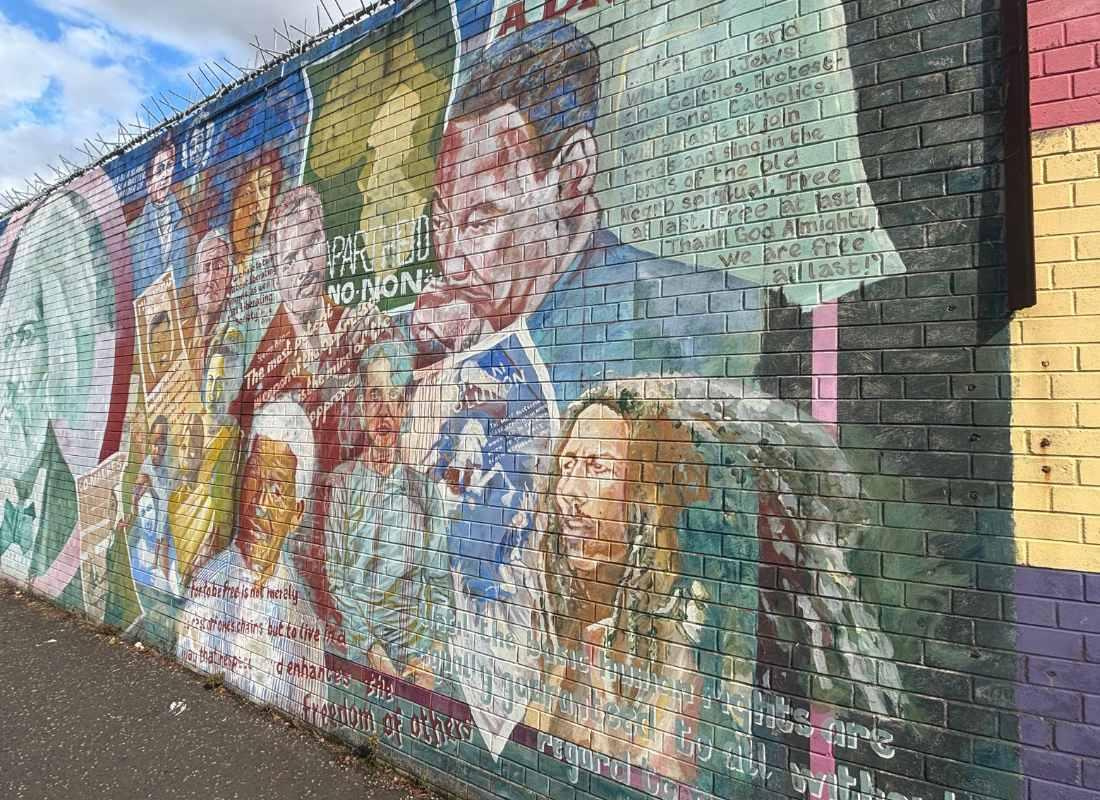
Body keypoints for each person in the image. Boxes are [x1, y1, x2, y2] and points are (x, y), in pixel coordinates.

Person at [413, 17, 761, 402]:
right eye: (441, 221)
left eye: (481, 222)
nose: (452, 266)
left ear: (571, 176)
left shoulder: (703, 320)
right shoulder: (462, 328)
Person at [541, 390, 714, 784]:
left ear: (642, 493)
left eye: (597, 466)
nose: (570, 492)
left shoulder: (676, 641)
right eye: (567, 465)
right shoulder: (559, 619)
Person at [0, 191, 114, 606]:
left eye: (26, 336)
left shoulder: (74, 495)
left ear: (60, 348)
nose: (9, 375)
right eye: (5, 340)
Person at [176, 399, 324, 714]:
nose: (259, 505)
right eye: (254, 480)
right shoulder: (208, 583)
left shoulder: (303, 622)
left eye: (277, 491)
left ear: (296, 514)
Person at [323, 337, 450, 686]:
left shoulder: (424, 492)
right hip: (359, 649)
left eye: (395, 397)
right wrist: (371, 650)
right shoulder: (343, 484)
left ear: (406, 407)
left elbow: (438, 581)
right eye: (375, 395)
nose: (384, 412)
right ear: (361, 405)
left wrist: (430, 654)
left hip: (416, 655)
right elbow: (337, 576)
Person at [129, 135, 189, 295]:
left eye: (169, 166)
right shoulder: (134, 234)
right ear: (148, 182)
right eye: (159, 170)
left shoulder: (183, 223)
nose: (165, 175)